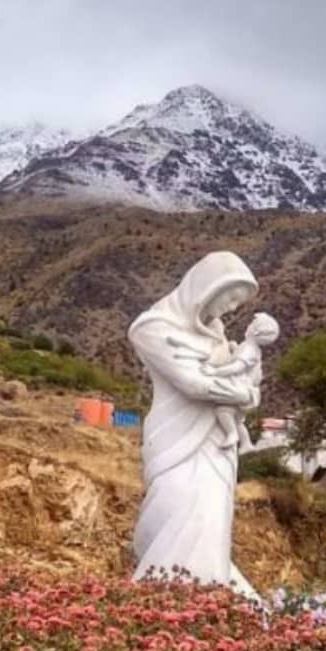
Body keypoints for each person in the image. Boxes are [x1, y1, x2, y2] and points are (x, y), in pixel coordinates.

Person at [128, 251, 264, 597]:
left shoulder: (216, 333)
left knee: (211, 520)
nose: (233, 308)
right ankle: (170, 602)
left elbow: (237, 381)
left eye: (238, 302)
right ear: (206, 286)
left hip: (216, 444)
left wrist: (244, 391)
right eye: (230, 297)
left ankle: (208, 603)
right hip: (176, 440)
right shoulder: (152, 328)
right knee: (176, 512)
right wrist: (244, 394)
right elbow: (192, 383)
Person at [191, 312, 280, 453]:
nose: (248, 326)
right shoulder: (250, 348)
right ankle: (246, 443)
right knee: (238, 420)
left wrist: (214, 372)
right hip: (243, 388)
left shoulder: (249, 349)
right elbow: (239, 358)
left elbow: (237, 367)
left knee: (223, 410)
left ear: (255, 331)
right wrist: (234, 348)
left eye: (251, 325)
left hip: (238, 387)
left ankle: (231, 433)